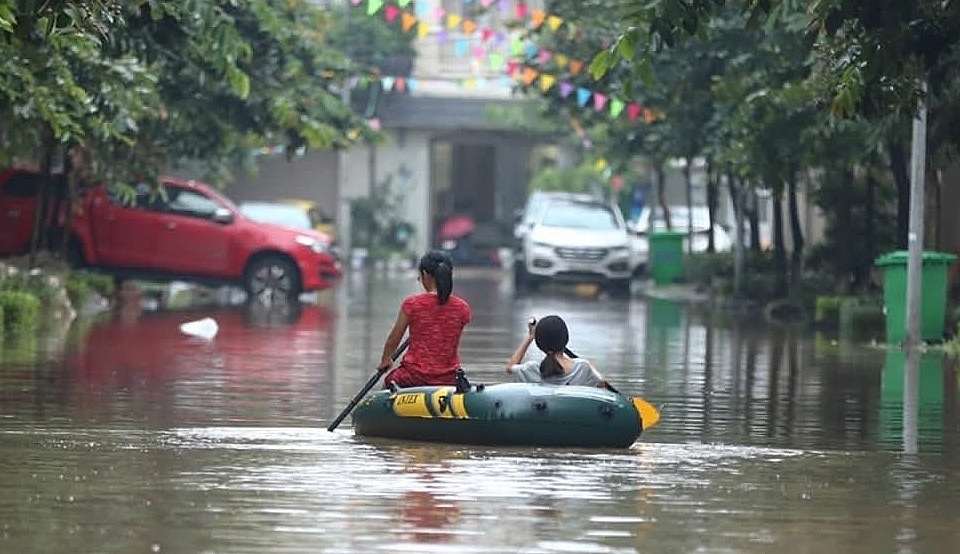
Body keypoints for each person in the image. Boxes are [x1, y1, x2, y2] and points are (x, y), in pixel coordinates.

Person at [378, 250, 472, 388]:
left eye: (419, 276)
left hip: (412, 376)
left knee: (387, 384)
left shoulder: (412, 304)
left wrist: (386, 360)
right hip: (448, 379)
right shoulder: (463, 308)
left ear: (425, 275)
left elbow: (394, 339)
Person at [505, 315, 608, 388]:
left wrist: (530, 336)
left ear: (540, 344)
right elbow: (602, 382)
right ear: (565, 339)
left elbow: (510, 367)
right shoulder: (582, 368)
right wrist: (588, 364)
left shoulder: (531, 369)